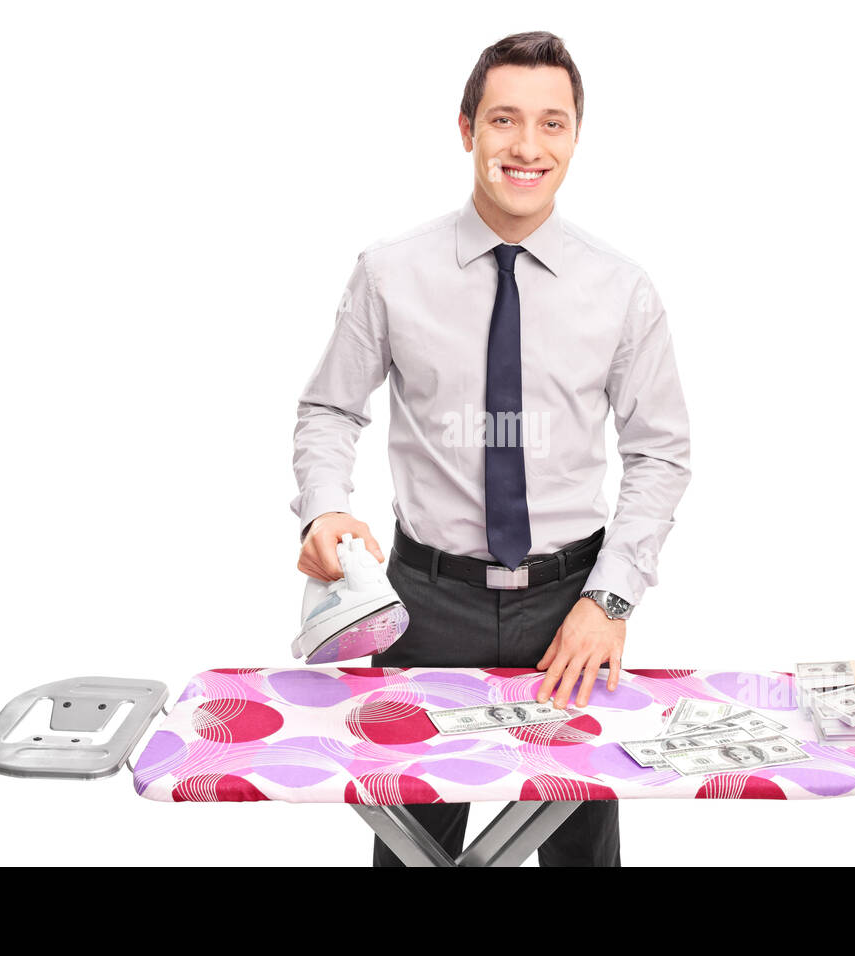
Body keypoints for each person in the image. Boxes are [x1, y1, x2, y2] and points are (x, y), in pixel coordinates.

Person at [290, 30, 692, 867]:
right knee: (411, 854)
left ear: (576, 138)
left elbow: (660, 453)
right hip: (422, 605)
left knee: (581, 856)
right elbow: (330, 407)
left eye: (552, 124)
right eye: (505, 120)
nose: (527, 146)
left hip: (570, 610)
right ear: (467, 128)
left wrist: (609, 601)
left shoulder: (622, 290)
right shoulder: (391, 271)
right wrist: (327, 506)